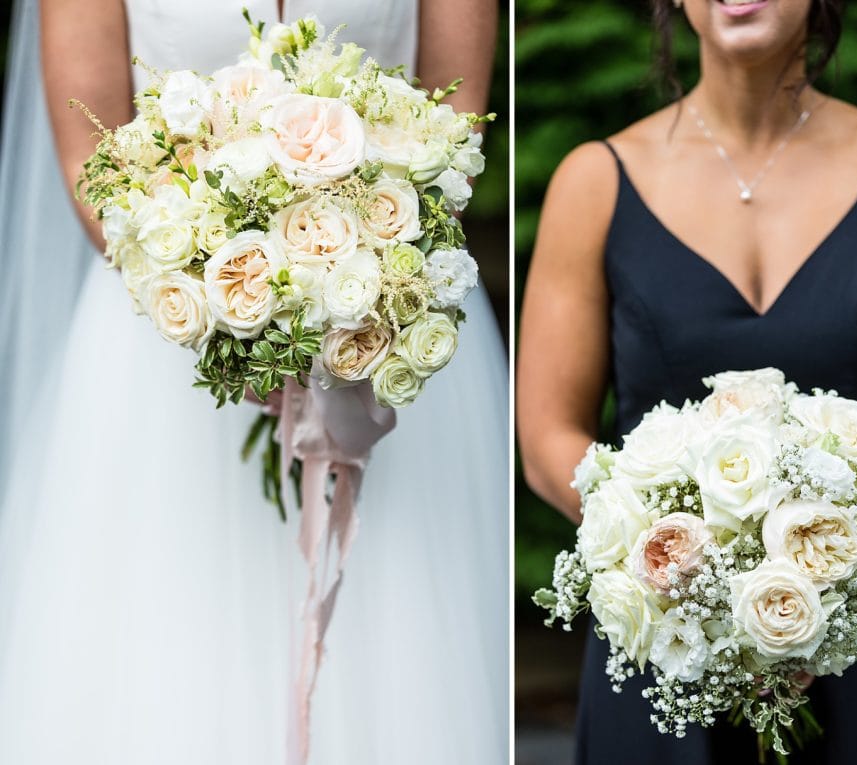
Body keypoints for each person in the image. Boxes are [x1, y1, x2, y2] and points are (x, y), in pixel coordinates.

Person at [0, 1, 508, 762]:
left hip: (385, 316)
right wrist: (219, 310)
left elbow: (459, 108)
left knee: (400, 647)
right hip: (161, 344)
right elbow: (88, 156)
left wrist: (346, 289)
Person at [517, 0, 857, 762]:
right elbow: (548, 436)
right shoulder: (594, 181)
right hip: (669, 646)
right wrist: (685, 566)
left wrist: (848, 569)